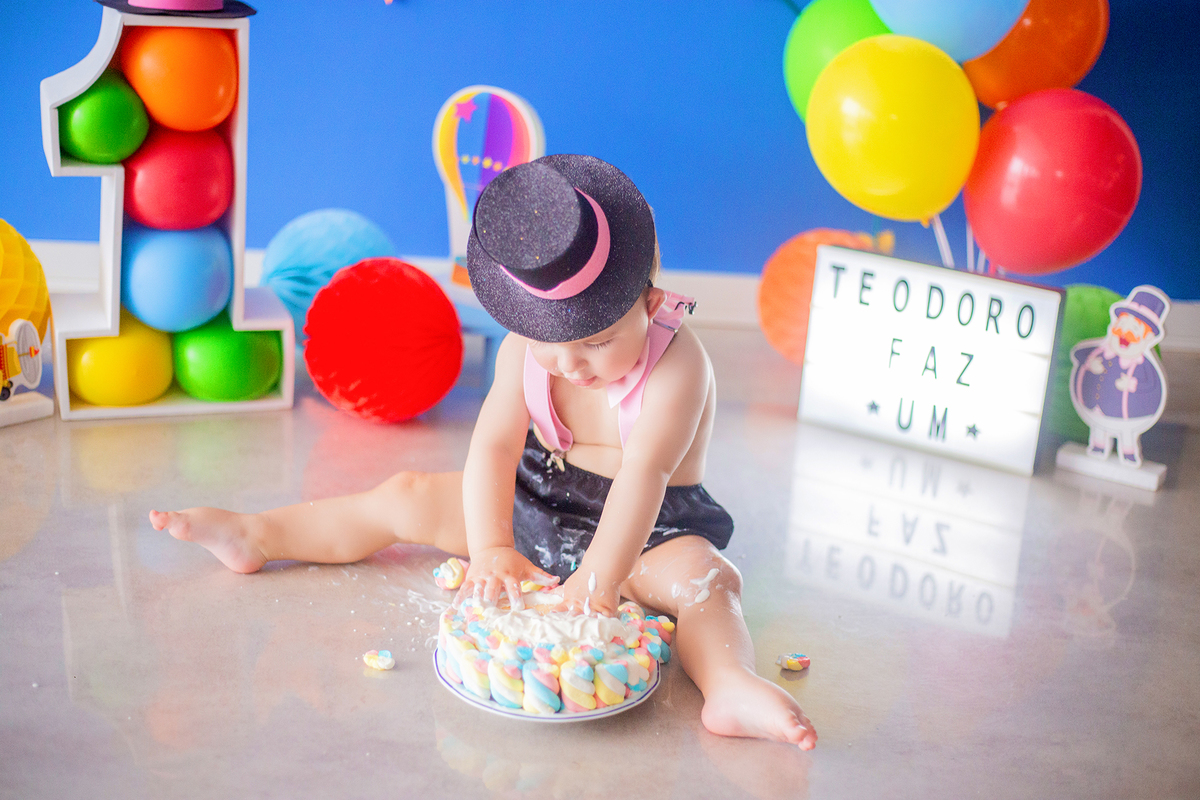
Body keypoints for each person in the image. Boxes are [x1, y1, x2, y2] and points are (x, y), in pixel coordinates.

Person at [150, 154, 818, 750]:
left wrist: (601, 579)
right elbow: (496, 446)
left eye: (597, 340)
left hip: (647, 532)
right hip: (538, 495)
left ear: (650, 301)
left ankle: (729, 683)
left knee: (706, 580)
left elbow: (645, 472)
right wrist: (494, 545)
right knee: (407, 494)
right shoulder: (530, 349)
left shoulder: (679, 365)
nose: (571, 364)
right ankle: (260, 533)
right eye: (551, 342)